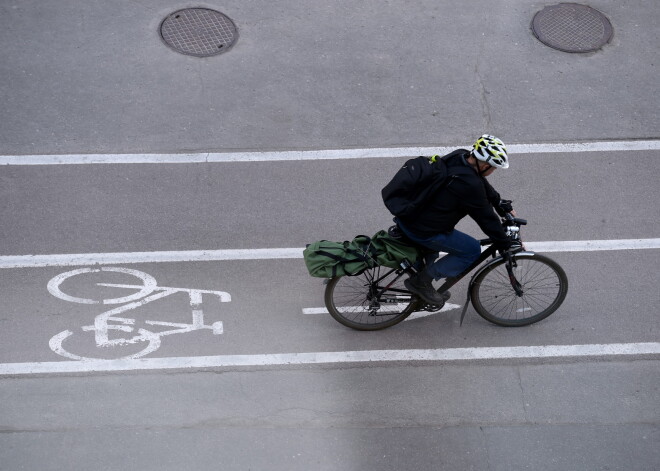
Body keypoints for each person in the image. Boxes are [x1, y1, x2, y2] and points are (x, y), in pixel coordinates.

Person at [397, 135, 516, 306]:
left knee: (434, 253)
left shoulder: (460, 156)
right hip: (424, 229)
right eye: (494, 168)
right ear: (484, 165)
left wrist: (499, 203)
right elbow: (486, 218)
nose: (493, 171)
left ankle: (422, 278)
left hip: (412, 215)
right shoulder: (469, 185)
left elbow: (482, 183)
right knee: (472, 250)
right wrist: (504, 243)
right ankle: (421, 282)